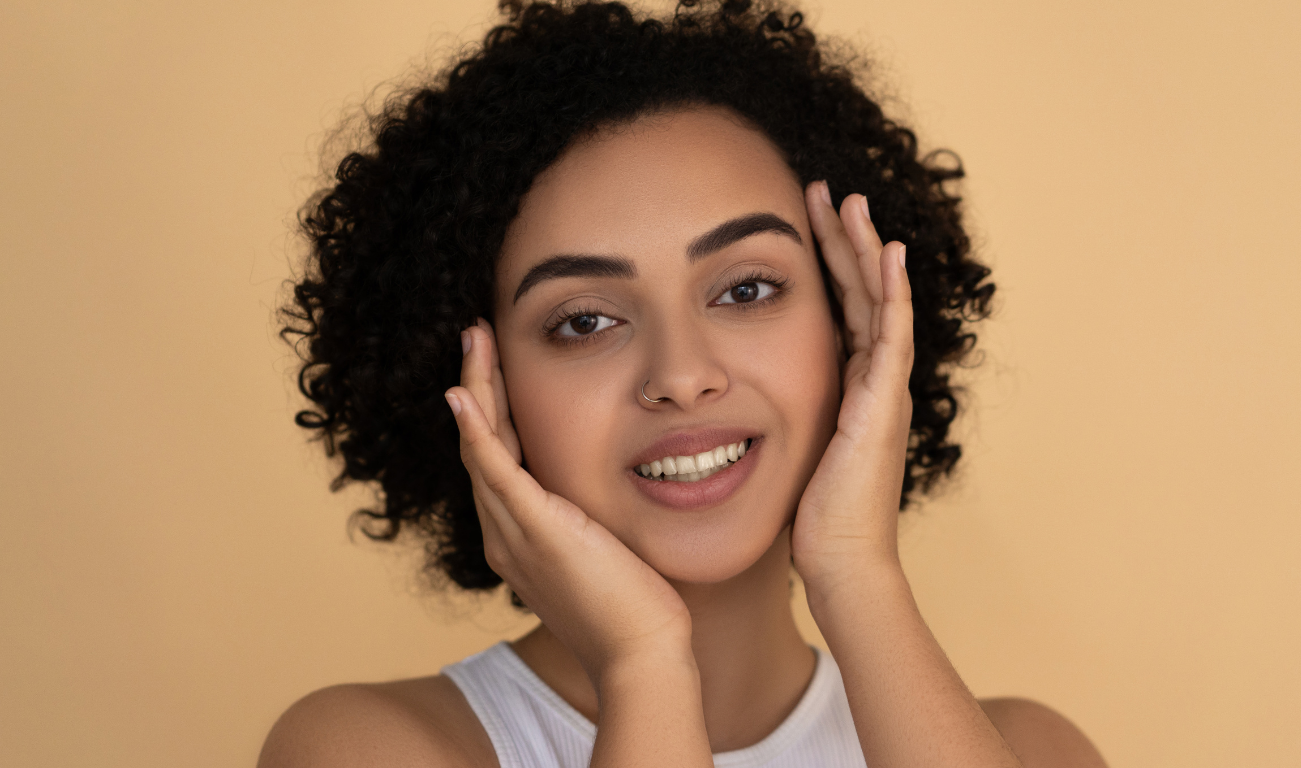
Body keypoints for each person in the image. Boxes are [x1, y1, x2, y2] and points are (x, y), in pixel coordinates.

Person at [261, 1, 1108, 765]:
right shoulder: (369, 749)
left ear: (855, 329)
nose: (681, 375)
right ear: (482, 384)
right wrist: (643, 666)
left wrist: (858, 573)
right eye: (584, 321)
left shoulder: (1031, 751)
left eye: (746, 289)